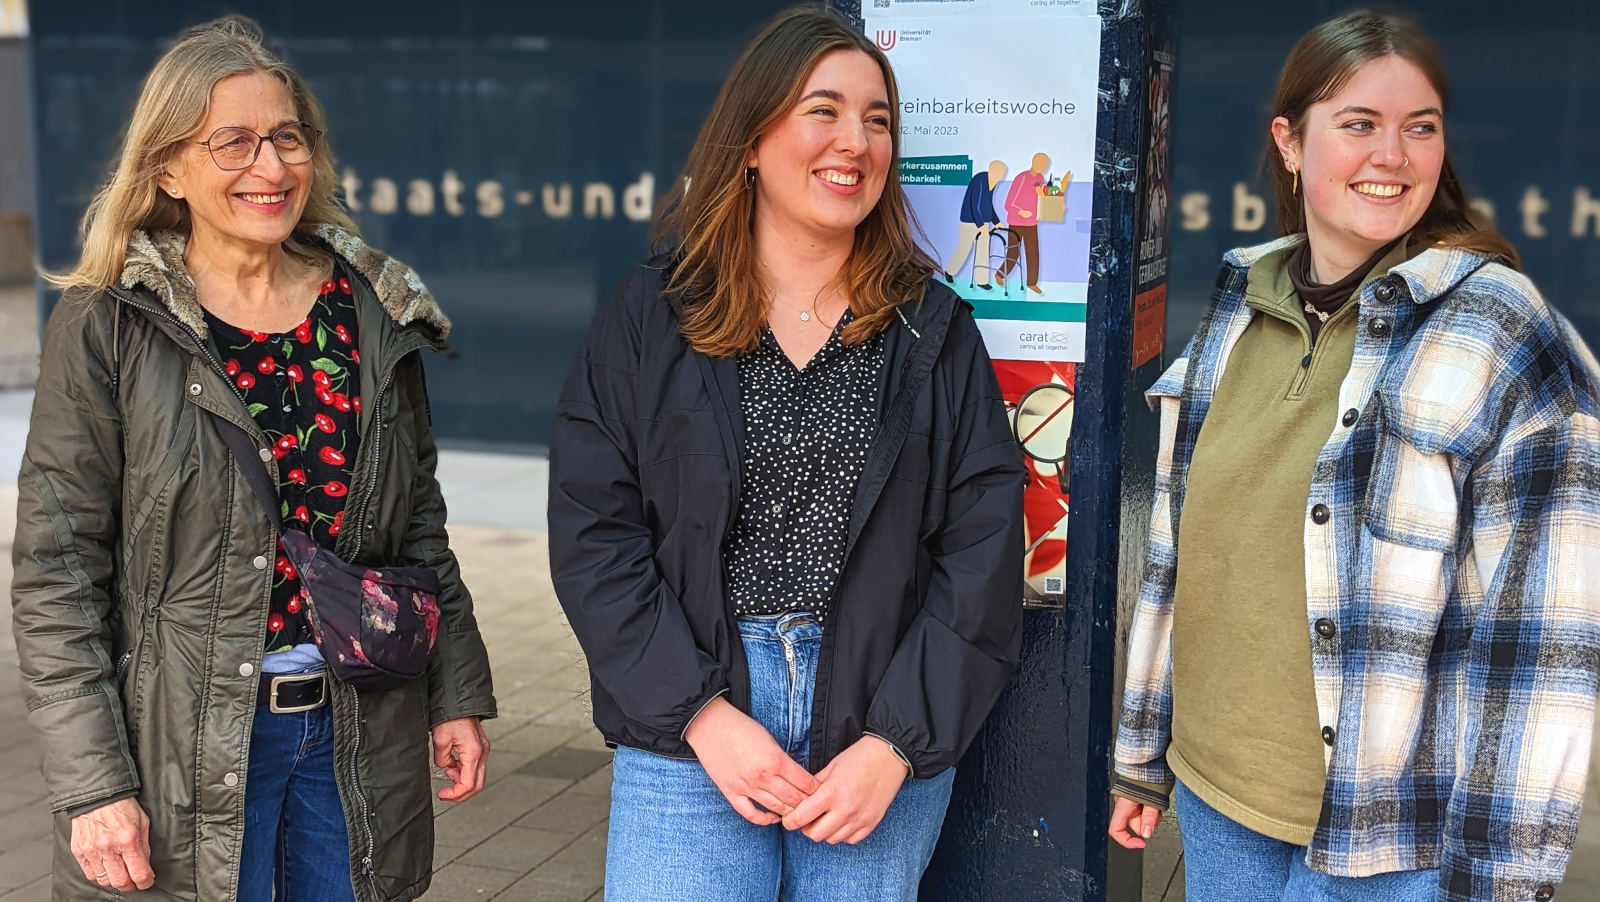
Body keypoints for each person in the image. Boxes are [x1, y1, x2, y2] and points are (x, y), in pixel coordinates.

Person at [1108, 11, 1600, 902]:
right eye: (1359, 124)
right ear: (1289, 143)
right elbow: (1184, 553)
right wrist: (1144, 752)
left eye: (1421, 127)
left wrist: (1500, 882)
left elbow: (1545, 645)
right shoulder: (1240, 301)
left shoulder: (1505, 333)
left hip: (1392, 840)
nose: (1394, 154)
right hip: (1221, 803)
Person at [12, 17, 496, 901]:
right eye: (231, 142)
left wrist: (455, 690)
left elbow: (418, 526)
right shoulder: (111, 324)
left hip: (357, 731)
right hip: (182, 746)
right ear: (167, 169)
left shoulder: (371, 312)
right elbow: (57, 572)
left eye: (287, 137)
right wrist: (94, 784)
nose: (269, 168)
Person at [548, 7, 1024, 901]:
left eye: (877, 119)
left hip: (876, 723)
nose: (857, 141)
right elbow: (593, 533)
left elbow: (982, 551)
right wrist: (699, 715)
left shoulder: (932, 329)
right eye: (825, 110)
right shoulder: (654, 315)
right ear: (753, 140)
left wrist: (896, 744)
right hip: (692, 717)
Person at [943, 159, 1006, 289]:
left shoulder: (993, 183)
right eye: (999, 172)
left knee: (983, 250)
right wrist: (980, 225)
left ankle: (982, 281)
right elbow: (974, 204)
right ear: (991, 169)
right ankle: (949, 271)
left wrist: (996, 221)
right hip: (969, 221)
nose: (1000, 175)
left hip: (984, 222)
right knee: (964, 249)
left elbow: (988, 205)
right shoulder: (980, 180)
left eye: (1002, 173)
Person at [996, 151, 1048, 294]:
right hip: (1017, 222)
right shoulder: (1022, 178)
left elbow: (1040, 199)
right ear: (1033, 161)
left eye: (1045, 164)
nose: (1043, 166)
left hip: (1032, 223)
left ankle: (1032, 283)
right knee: (1013, 252)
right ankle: (1000, 274)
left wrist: (1053, 205)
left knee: (1033, 253)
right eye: (1040, 163)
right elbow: (1008, 204)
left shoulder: (1040, 178)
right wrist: (1021, 211)